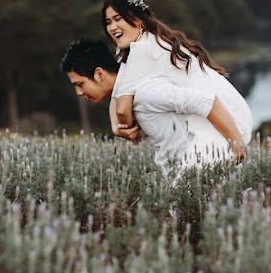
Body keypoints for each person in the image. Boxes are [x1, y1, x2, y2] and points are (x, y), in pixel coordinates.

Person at [101, 0, 253, 160]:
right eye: (108, 22)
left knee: (193, 183)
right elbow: (117, 98)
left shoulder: (143, 49)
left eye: (118, 19)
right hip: (220, 114)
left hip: (224, 119)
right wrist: (117, 127)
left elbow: (122, 111)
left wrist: (126, 126)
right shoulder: (142, 44)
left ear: (137, 20)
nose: (112, 27)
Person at [60, 38, 243, 173]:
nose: (79, 93)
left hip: (198, 172)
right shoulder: (127, 95)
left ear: (99, 74)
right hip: (182, 176)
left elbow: (207, 102)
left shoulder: (145, 92)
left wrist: (237, 145)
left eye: (80, 84)